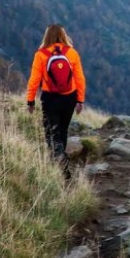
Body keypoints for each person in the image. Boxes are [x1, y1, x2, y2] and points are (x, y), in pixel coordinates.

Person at [26, 24, 86, 180]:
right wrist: (80, 99)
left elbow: (34, 79)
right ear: (63, 36)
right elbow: (80, 78)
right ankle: (61, 164)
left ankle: (59, 161)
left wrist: (30, 100)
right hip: (69, 97)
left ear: (46, 36)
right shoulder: (72, 53)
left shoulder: (41, 54)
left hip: (50, 98)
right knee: (63, 131)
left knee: (51, 132)